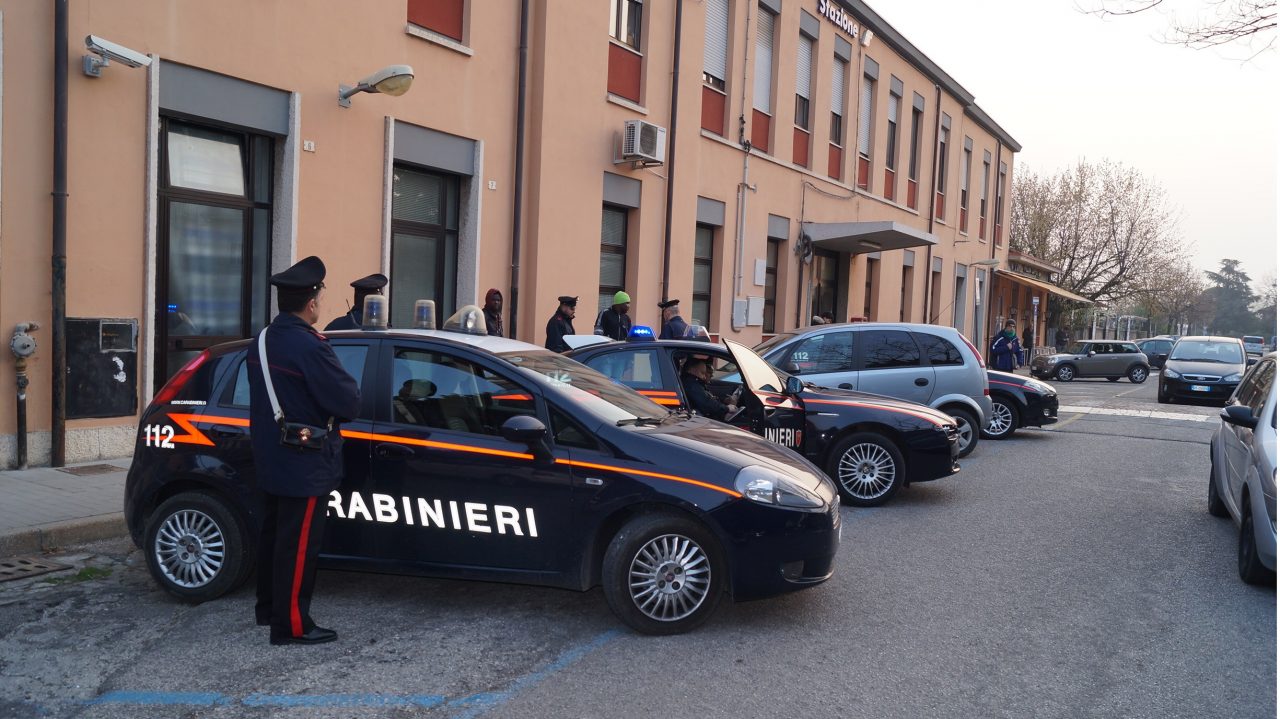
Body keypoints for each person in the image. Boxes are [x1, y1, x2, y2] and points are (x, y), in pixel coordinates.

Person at [248, 256, 361, 646]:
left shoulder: (262, 340)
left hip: (269, 455)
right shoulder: (311, 347)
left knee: (274, 538)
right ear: (311, 302)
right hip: (305, 460)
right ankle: (292, 625)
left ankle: (268, 610)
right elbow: (348, 403)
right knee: (298, 548)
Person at [680, 357, 737, 421]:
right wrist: (727, 408)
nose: (704, 377)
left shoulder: (694, 382)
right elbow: (706, 404)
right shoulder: (691, 384)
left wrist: (723, 400)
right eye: (702, 373)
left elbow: (707, 398)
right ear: (691, 370)